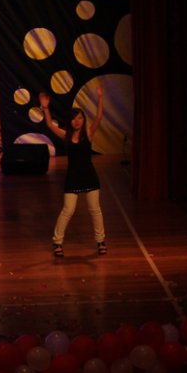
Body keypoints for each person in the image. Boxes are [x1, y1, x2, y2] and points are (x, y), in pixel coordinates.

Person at [38, 82, 107, 257]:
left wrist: (100, 97)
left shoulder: (88, 133)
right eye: (74, 118)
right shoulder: (66, 135)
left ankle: (100, 241)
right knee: (68, 210)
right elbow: (50, 125)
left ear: (83, 120)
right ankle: (57, 242)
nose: (77, 121)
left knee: (95, 210)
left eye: (80, 118)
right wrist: (45, 108)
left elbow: (99, 117)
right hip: (73, 177)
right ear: (70, 121)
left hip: (89, 176)